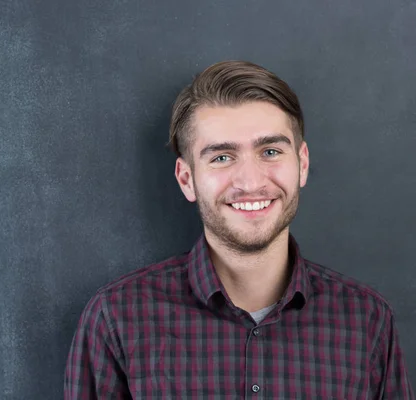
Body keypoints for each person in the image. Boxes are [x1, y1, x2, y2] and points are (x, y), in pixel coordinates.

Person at [64, 60, 414, 399]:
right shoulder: (117, 320)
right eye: (222, 157)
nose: (250, 181)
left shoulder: (367, 321)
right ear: (187, 179)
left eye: (271, 151)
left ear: (302, 164)